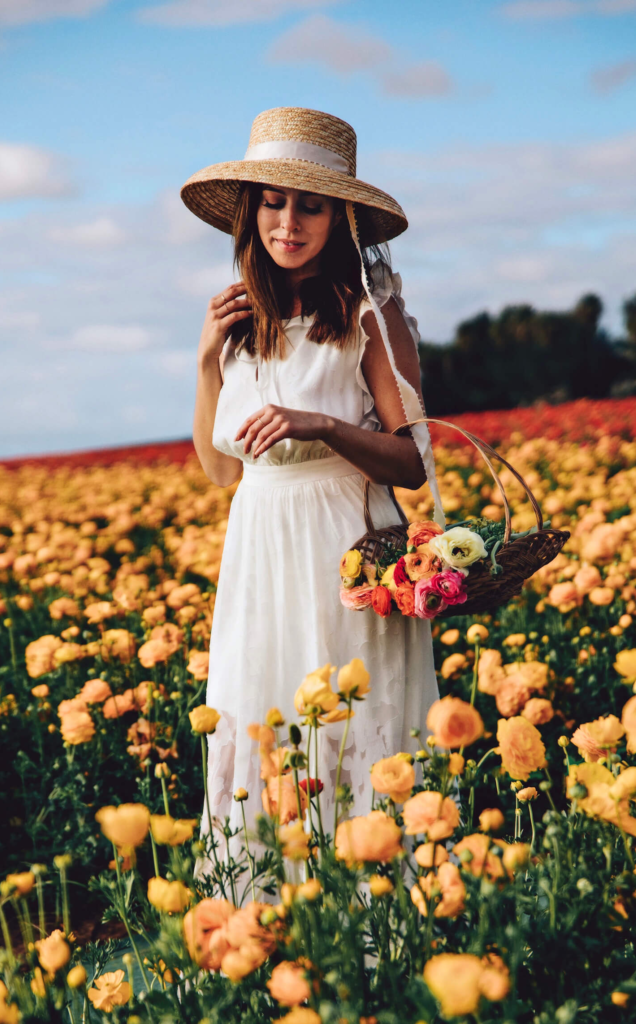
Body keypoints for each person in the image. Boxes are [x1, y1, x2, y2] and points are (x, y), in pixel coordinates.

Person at [181, 107, 446, 860]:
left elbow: (413, 464)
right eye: (273, 201)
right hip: (258, 548)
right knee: (261, 714)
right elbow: (221, 469)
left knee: (350, 721)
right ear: (250, 213)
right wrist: (205, 361)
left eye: (310, 204)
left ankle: (371, 924)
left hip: (344, 546)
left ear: (340, 219)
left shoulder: (371, 314)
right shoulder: (237, 323)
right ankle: (270, 928)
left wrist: (322, 425)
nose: (287, 222)